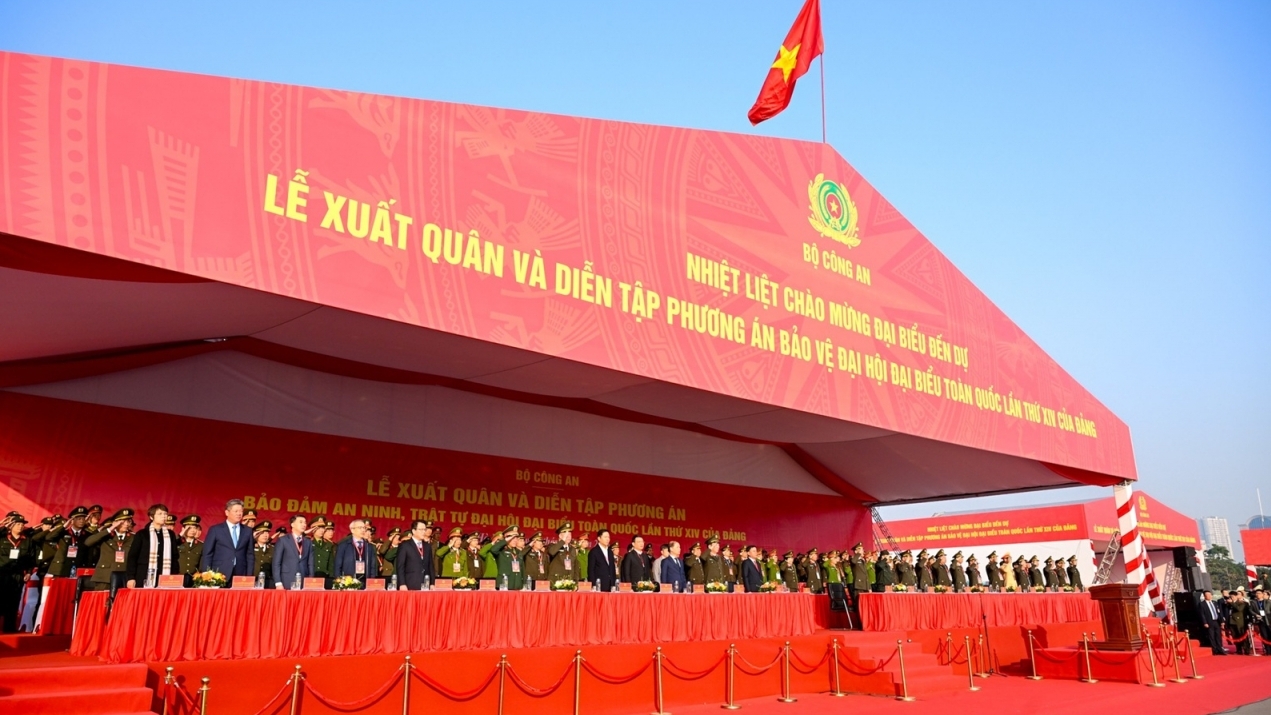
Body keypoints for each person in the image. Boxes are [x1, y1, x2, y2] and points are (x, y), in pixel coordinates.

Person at [126, 505, 181, 588]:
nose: (163, 516)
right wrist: (131, 577)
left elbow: (174, 556)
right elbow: (132, 557)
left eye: (165, 514)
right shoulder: (142, 534)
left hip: (165, 576)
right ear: (151, 517)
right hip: (143, 575)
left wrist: (174, 576)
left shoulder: (170, 534)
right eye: (160, 514)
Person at [201, 499, 252, 579]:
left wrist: (249, 575)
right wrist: (206, 573)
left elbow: (250, 555)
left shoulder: (247, 531)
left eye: (241, 511)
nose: (239, 514)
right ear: (227, 513)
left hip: (241, 573)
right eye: (236, 511)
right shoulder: (215, 530)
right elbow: (207, 553)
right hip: (219, 573)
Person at [0, 515, 35, 632]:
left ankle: (9, 628)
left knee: (14, 601)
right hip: (2, 574)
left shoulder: (27, 541)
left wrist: (29, 572)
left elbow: (31, 558)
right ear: (11, 526)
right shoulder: (2, 537)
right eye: (18, 524)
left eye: (22, 524)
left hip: (18, 575)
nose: (21, 526)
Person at [88, 508, 136, 591]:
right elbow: (88, 542)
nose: (126, 524)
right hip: (105, 577)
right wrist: (110, 528)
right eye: (122, 522)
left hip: (124, 577)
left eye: (128, 521)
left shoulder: (133, 538)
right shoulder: (106, 536)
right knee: (102, 602)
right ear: (115, 522)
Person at [272, 515, 315, 590]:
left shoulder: (308, 542)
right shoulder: (283, 540)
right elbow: (276, 563)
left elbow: (310, 563)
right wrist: (278, 582)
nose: (304, 524)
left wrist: (311, 580)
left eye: (305, 522)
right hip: (286, 580)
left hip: (304, 580)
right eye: (300, 522)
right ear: (292, 524)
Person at [395, 519, 436, 590]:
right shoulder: (405, 545)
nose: (424, 532)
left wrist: (432, 583)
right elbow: (400, 566)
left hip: (426, 584)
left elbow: (430, 566)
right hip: (410, 583)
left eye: (425, 529)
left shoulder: (427, 546)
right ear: (414, 531)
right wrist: (402, 584)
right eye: (421, 529)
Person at [489, 525, 525, 590]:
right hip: (505, 584)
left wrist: (524, 584)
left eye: (516, 538)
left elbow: (522, 569)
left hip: (517, 584)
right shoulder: (501, 550)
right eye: (512, 538)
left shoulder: (518, 552)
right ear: (506, 538)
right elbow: (493, 550)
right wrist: (505, 541)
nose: (515, 540)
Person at [177, 516, 203, 584]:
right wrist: (181, 534)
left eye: (194, 528)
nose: (192, 530)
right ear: (183, 529)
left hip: (194, 579)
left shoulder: (201, 545)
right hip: (177, 578)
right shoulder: (177, 542)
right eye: (189, 528)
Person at [1199, 590, 1227, 655]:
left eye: (1210, 595)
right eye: (1207, 595)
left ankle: (1220, 649)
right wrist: (1205, 622)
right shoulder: (1202, 604)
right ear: (1204, 596)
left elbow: (1219, 612)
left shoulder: (1215, 602)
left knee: (1218, 636)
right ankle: (1215, 650)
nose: (1209, 596)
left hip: (1217, 621)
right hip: (1209, 621)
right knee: (1212, 636)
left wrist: (1222, 621)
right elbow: (1202, 614)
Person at [1228, 589, 1253, 655]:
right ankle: (1238, 650)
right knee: (1235, 636)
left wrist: (1232, 603)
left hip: (1240, 622)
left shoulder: (1242, 603)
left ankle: (1246, 649)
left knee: (1243, 636)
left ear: (1236, 596)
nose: (1231, 598)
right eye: (1230, 597)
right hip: (1232, 622)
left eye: (1233, 596)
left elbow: (1239, 609)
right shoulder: (1229, 603)